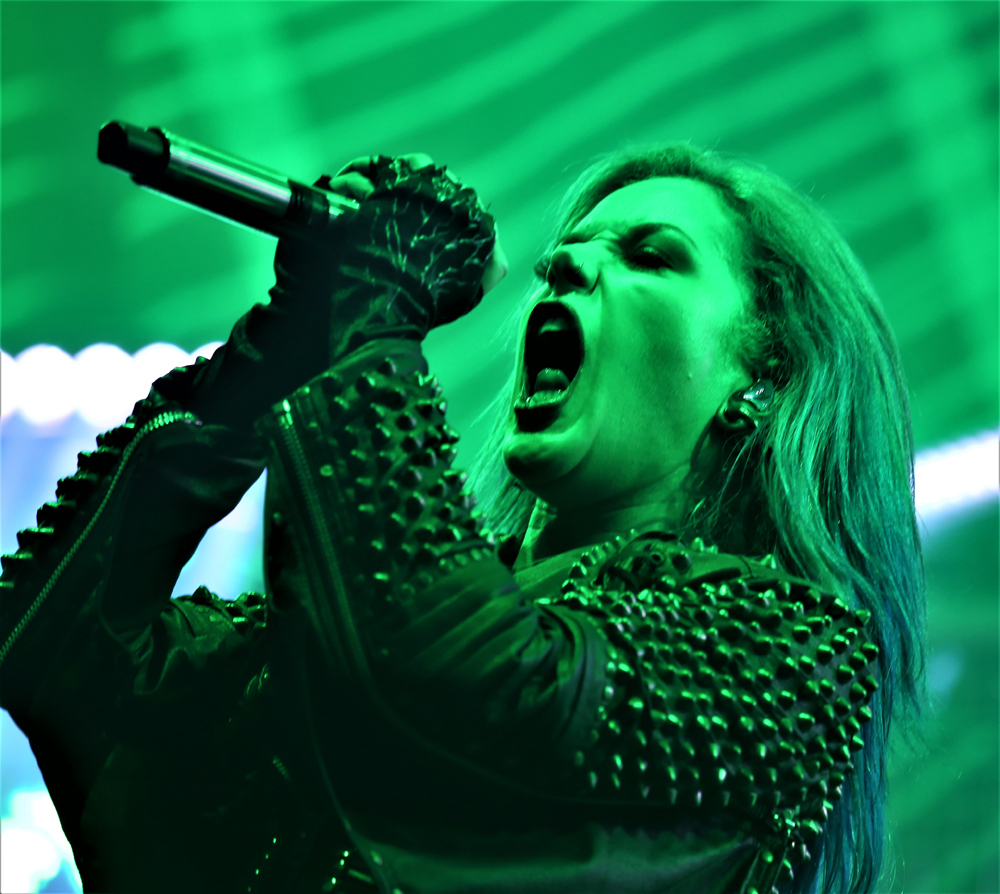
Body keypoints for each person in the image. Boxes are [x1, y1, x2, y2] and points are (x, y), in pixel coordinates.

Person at [0, 143, 925, 894]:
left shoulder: (795, 650)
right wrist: (275, 358)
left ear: (766, 376)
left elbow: (458, 681)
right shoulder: (366, 613)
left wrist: (369, 306)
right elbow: (63, 649)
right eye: (566, 253)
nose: (566, 265)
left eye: (650, 256)